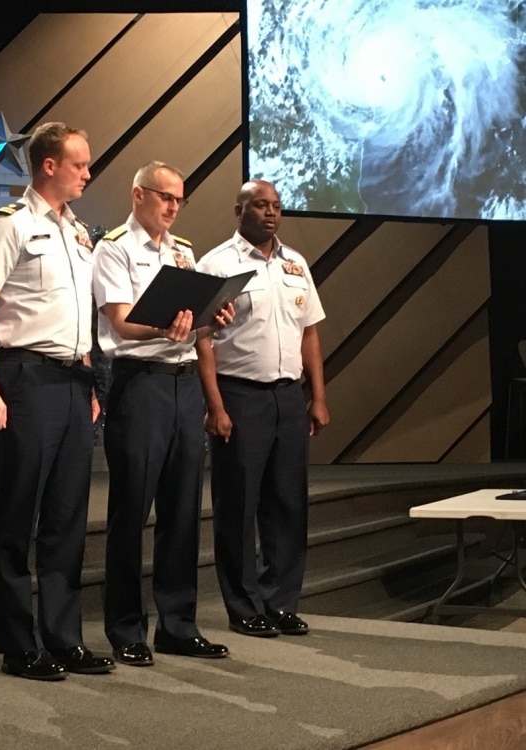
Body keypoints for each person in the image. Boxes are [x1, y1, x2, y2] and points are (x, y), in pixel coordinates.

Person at [0, 121, 114, 681]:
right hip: (24, 377)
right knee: (16, 516)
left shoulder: (79, 233)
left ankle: (63, 635)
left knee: (66, 518)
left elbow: (89, 317)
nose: (88, 173)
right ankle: (18, 644)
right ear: (49, 165)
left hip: (73, 383)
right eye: (80, 163)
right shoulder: (11, 226)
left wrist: (93, 384)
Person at [93, 161, 233, 667]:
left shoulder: (183, 251)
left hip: (184, 383)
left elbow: (191, 323)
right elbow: (122, 322)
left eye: (179, 199)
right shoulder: (114, 247)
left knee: (181, 511)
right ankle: (126, 629)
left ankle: (178, 624)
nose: (173, 207)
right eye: (165, 196)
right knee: (131, 511)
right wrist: (165, 329)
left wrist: (210, 316)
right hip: (142, 385)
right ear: (138, 195)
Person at [195, 179, 330, 639]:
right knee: (238, 503)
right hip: (239, 395)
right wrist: (214, 404)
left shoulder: (296, 264)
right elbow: (203, 339)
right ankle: (244, 606)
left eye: (275, 206)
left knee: (288, 503)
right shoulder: (216, 264)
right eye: (260, 205)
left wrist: (318, 397)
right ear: (239, 211)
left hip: (289, 396)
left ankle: (281, 601)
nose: (270, 212)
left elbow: (309, 332)